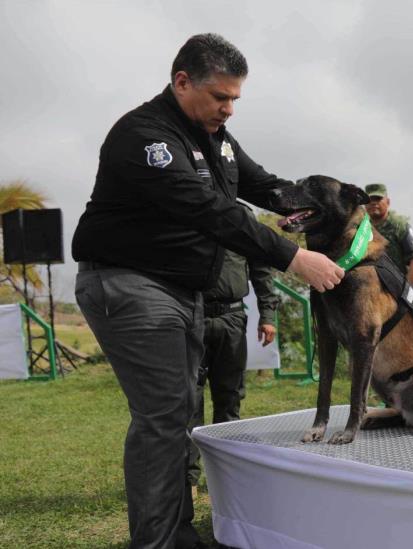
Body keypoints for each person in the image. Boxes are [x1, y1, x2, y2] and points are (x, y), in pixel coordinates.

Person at [72, 34, 343, 549]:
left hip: (182, 290)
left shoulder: (214, 135)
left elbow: (264, 187)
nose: (229, 109)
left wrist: (329, 205)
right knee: (166, 414)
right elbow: (210, 210)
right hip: (130, 283)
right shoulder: (145, 137)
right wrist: (293, 257)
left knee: (184, 414)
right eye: (221, 97)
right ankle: (158, 540)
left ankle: (178, 531)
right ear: (182, 82)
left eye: (236, 99)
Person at [187, 248, 278, 491]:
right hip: (191, 317)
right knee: (189, 400)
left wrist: (267, 315)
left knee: (229, 397)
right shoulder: (184, 215)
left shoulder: (238, 219)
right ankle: (189, 479)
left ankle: (224, 473)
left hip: (232, 317)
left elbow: (261, 270)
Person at [364, 183, 413, 286]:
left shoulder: (399, 225)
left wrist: (407, 292)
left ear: (388, 202)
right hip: (369, 289)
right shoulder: (361, 228)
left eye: (378, 199)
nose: (373, 203)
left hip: (394, 289)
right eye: (370, 200)